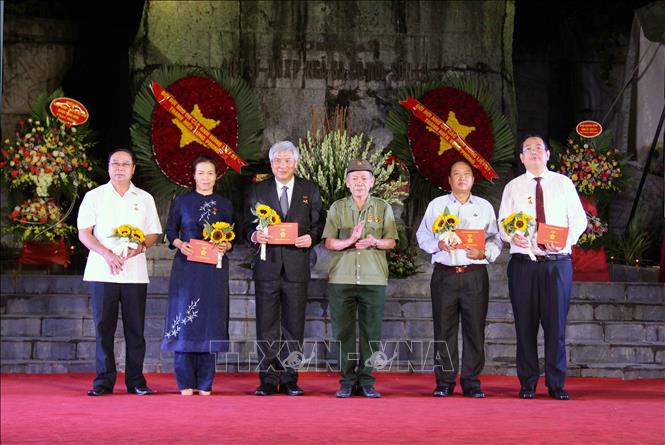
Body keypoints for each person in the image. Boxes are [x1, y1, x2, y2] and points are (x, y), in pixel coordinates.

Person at [498, 134, 586, 400]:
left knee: (556, 326)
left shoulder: (563, 184)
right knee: (524, 327)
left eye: (539, 148)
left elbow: (579, 221)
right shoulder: (512, 187)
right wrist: (511, 236)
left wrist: (564, 242)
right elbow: (503, 223)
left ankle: (557, 384)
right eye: (528, 149)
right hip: (523, 264)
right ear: (521, 157)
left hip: (557, 265)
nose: (534, 152)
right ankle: (527, 383)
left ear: (548, 154)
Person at [78, 148, 162, 396]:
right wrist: (106, 254)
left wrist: (141, 247)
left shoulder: (144, 198)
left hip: (134, 273)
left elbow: (153, 233)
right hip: (102, 272)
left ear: (133, 169)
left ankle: (136, 381)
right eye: (115, 163)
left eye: (125, 164)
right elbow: (84, 233)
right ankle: (103, 381)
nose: (120, 168)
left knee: (135, 329)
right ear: (108, 167)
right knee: (104, 328)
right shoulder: (94, 196)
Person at [416, 160, 502, 398]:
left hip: (474, 275)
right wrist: (438, 245)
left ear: (473, 179)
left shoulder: (484, 207)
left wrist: (485, 252)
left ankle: (471, 381)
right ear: (449, 180)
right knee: (443, 329)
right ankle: (444, 381)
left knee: (475, 329)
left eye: (466, 174)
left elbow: (496, 238)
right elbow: (422, 235)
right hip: (445, 275)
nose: (462, 178)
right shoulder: (437, 205)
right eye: (456, 174)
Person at [245, 140, 324, 396]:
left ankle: (290, 378)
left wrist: (311, 238)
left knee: (294, 325)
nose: (282, 165)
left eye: (287, 160)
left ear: (295, 163)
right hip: (267, 267)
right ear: (271, 164)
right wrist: (254, 235)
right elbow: (246, 224)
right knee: (266, 325)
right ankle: (267, 378)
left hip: (296, 267)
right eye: (277, 160)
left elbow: (318, 223)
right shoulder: (258, 190)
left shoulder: (309, 189)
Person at [323, 159, 398, 398]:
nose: (359, 183)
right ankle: (347, 381)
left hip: (373, 278)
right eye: (354, 178)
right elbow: (329, 242)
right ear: (347, 182)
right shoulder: (337, 207)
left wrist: (375, 242)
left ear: (372, 182)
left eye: (364, 178)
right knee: (342, 332)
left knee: (371, 332)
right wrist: (350, 241)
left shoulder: (383, 208)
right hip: (341, 278)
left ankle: (366, 380)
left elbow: (391, 241)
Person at [162, 155, 233, 396]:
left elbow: (233, 236)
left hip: (214, 271)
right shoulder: (181, 202)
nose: (205, 177)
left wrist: (226, 246)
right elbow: (170, 231)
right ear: (193, 176)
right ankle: (184, 382)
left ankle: (205, 382)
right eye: (201, 173)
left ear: (216, 176)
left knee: (210, 320)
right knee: (185, 319)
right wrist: (180, 244)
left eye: (210, 173)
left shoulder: (224, 204)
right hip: (187, 268)